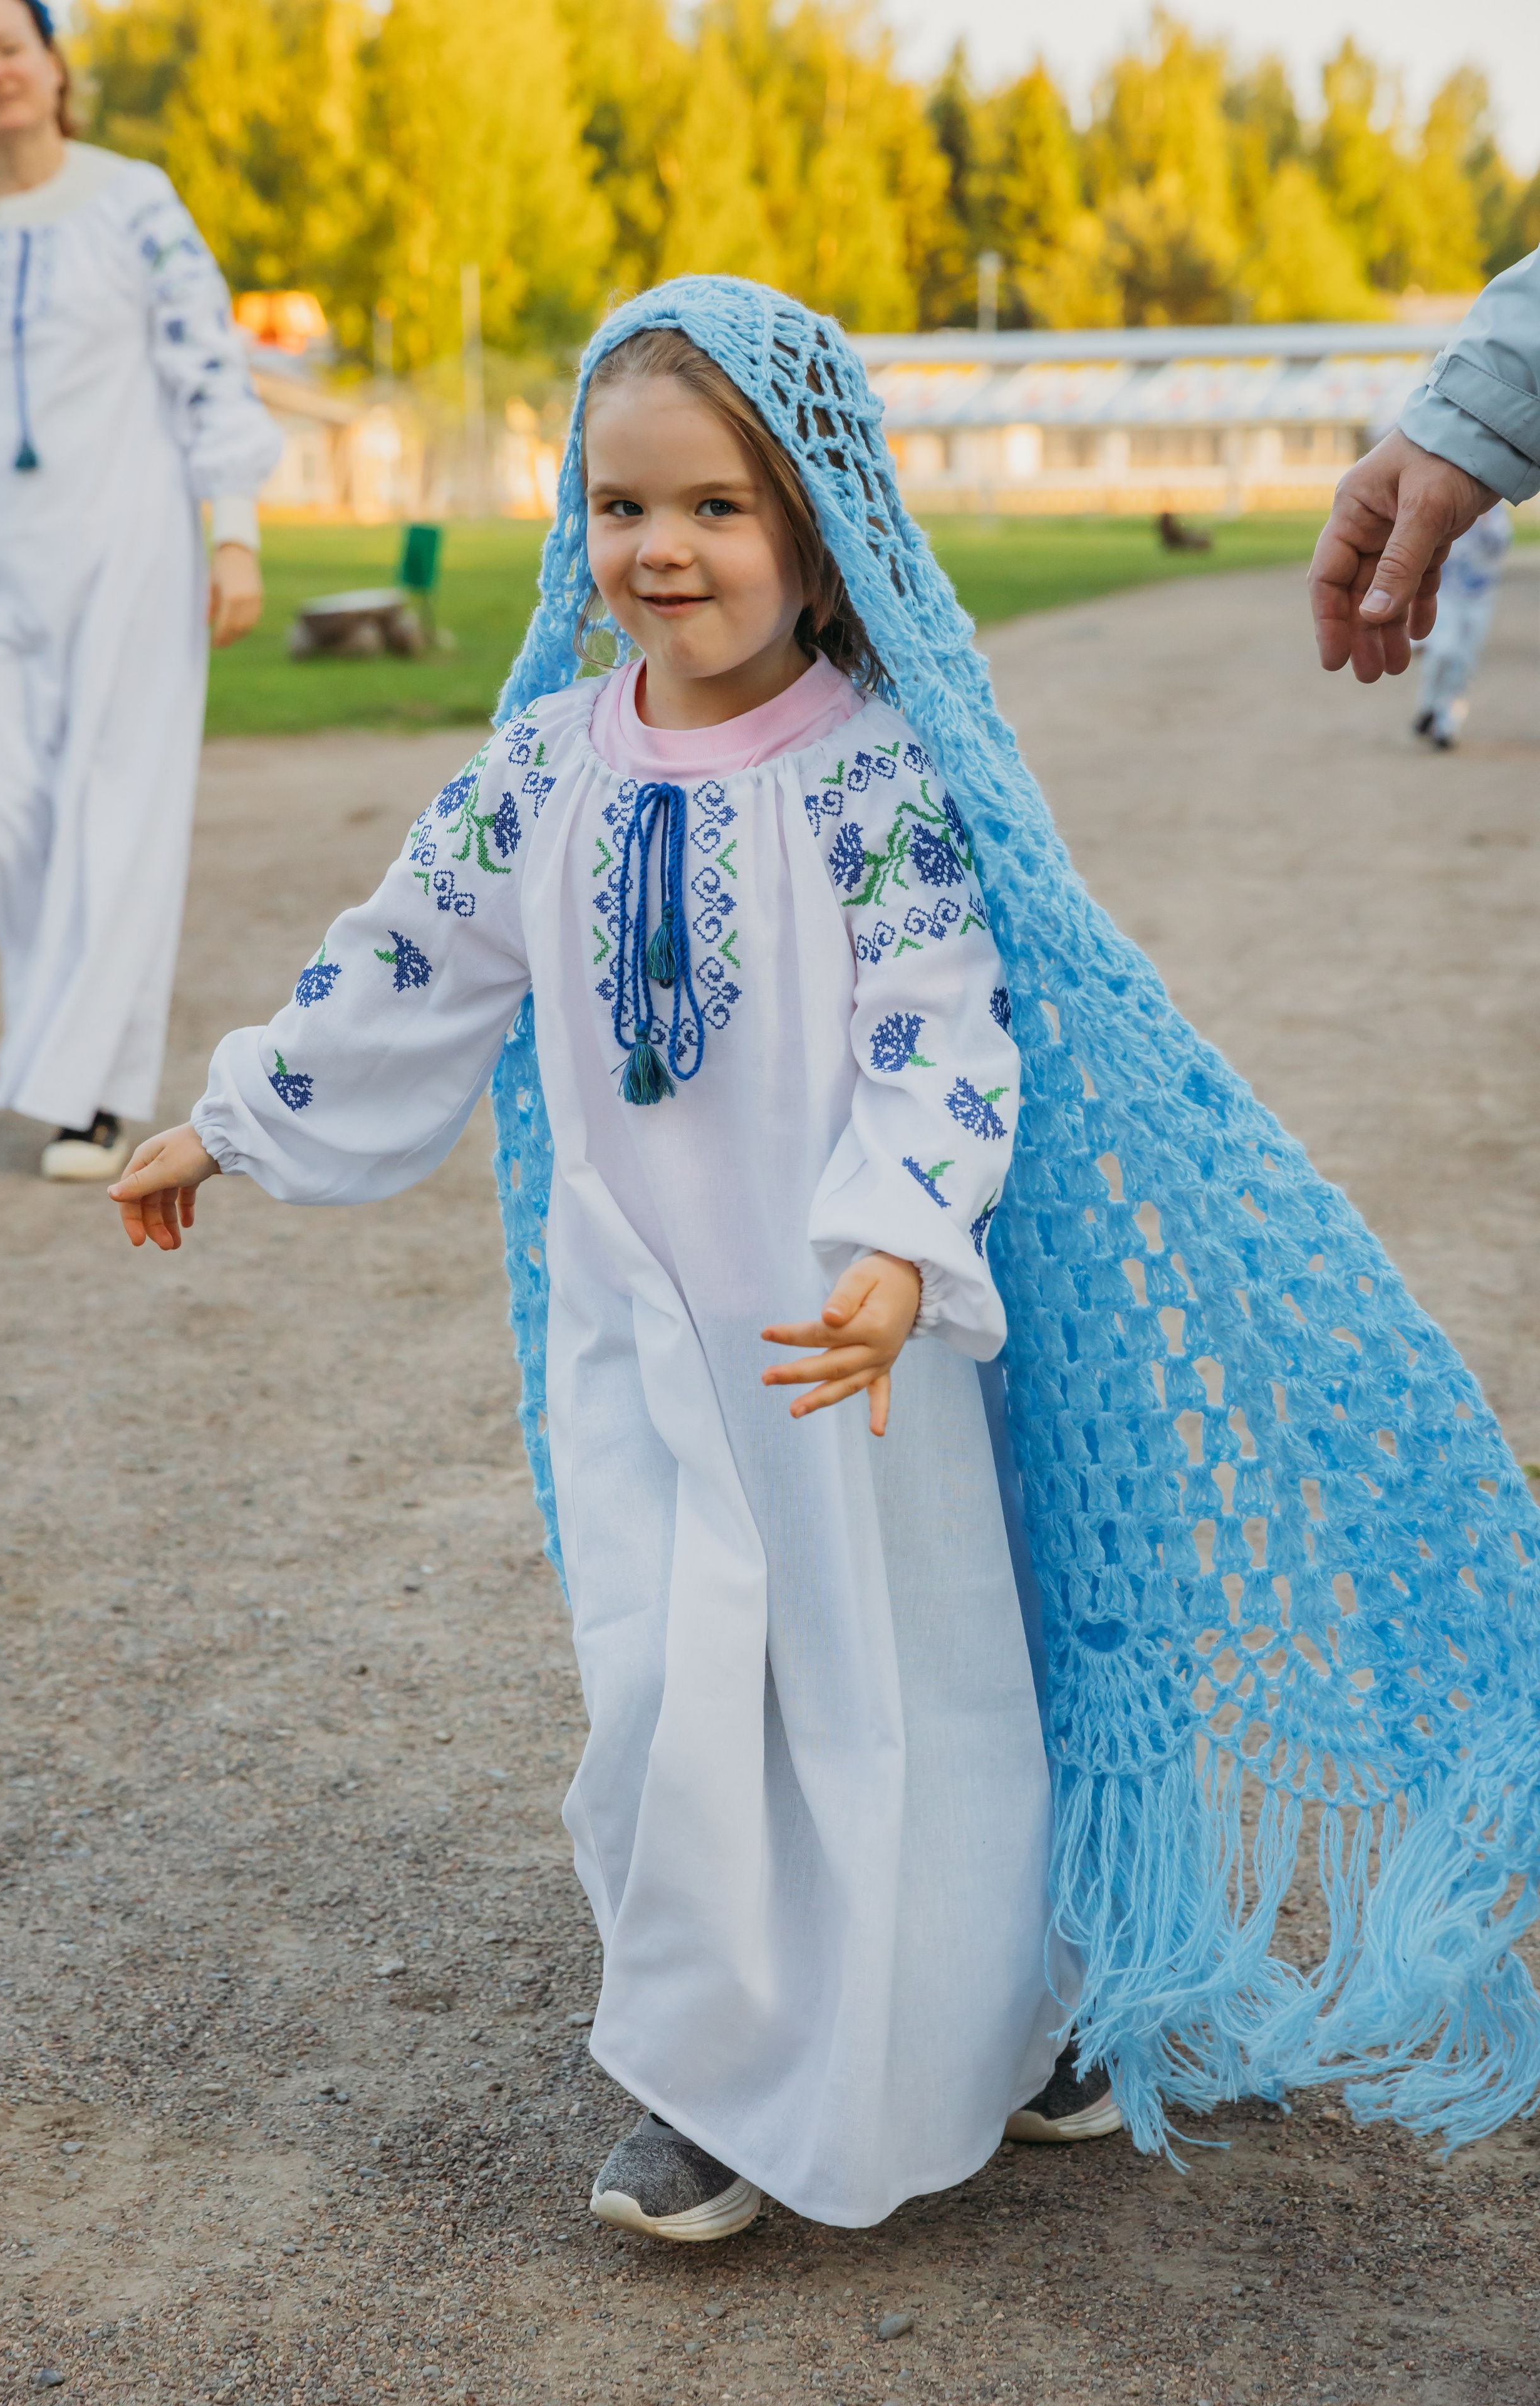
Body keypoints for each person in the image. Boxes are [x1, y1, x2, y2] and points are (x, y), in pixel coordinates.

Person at [110, 278, 1540, 2235]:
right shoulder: (544, 764)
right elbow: (403, 955)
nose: (659, 550)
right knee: (663, 1701)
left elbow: (943, 1031)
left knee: (908, 1699)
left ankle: (991, 2010)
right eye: (620, 508)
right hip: (645, 1332)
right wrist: (240, 1113)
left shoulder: (868, 780)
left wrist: (892, 1245)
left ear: (811, 526)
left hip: (849, 1346)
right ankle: (705, 2075)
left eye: (711, 508)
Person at [0, 0, 281, 1180]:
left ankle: (88, 1095)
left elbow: (208, 361)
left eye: (6, 48)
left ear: (51, 60)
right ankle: (61, 1057)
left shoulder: (135, 200)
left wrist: (232, 531)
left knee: (115, 816)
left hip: (129, 555)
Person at [1309, 247, 1539, 680]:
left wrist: (1460, 429)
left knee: (1462, 620)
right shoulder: (1403, 407)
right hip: (1457, 508)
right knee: (1456, 620)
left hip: (1471, 519)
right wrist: (1458, 434)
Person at [1412, 506, 1512, 748]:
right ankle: (1429, 706)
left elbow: (1500, 544)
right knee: (1442, 653)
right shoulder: (1452, 504)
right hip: (1447, 593)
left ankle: (1445, 726)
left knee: (1463, 664)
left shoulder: (1495, 511)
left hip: (1479, 599)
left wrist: (1485, 520)